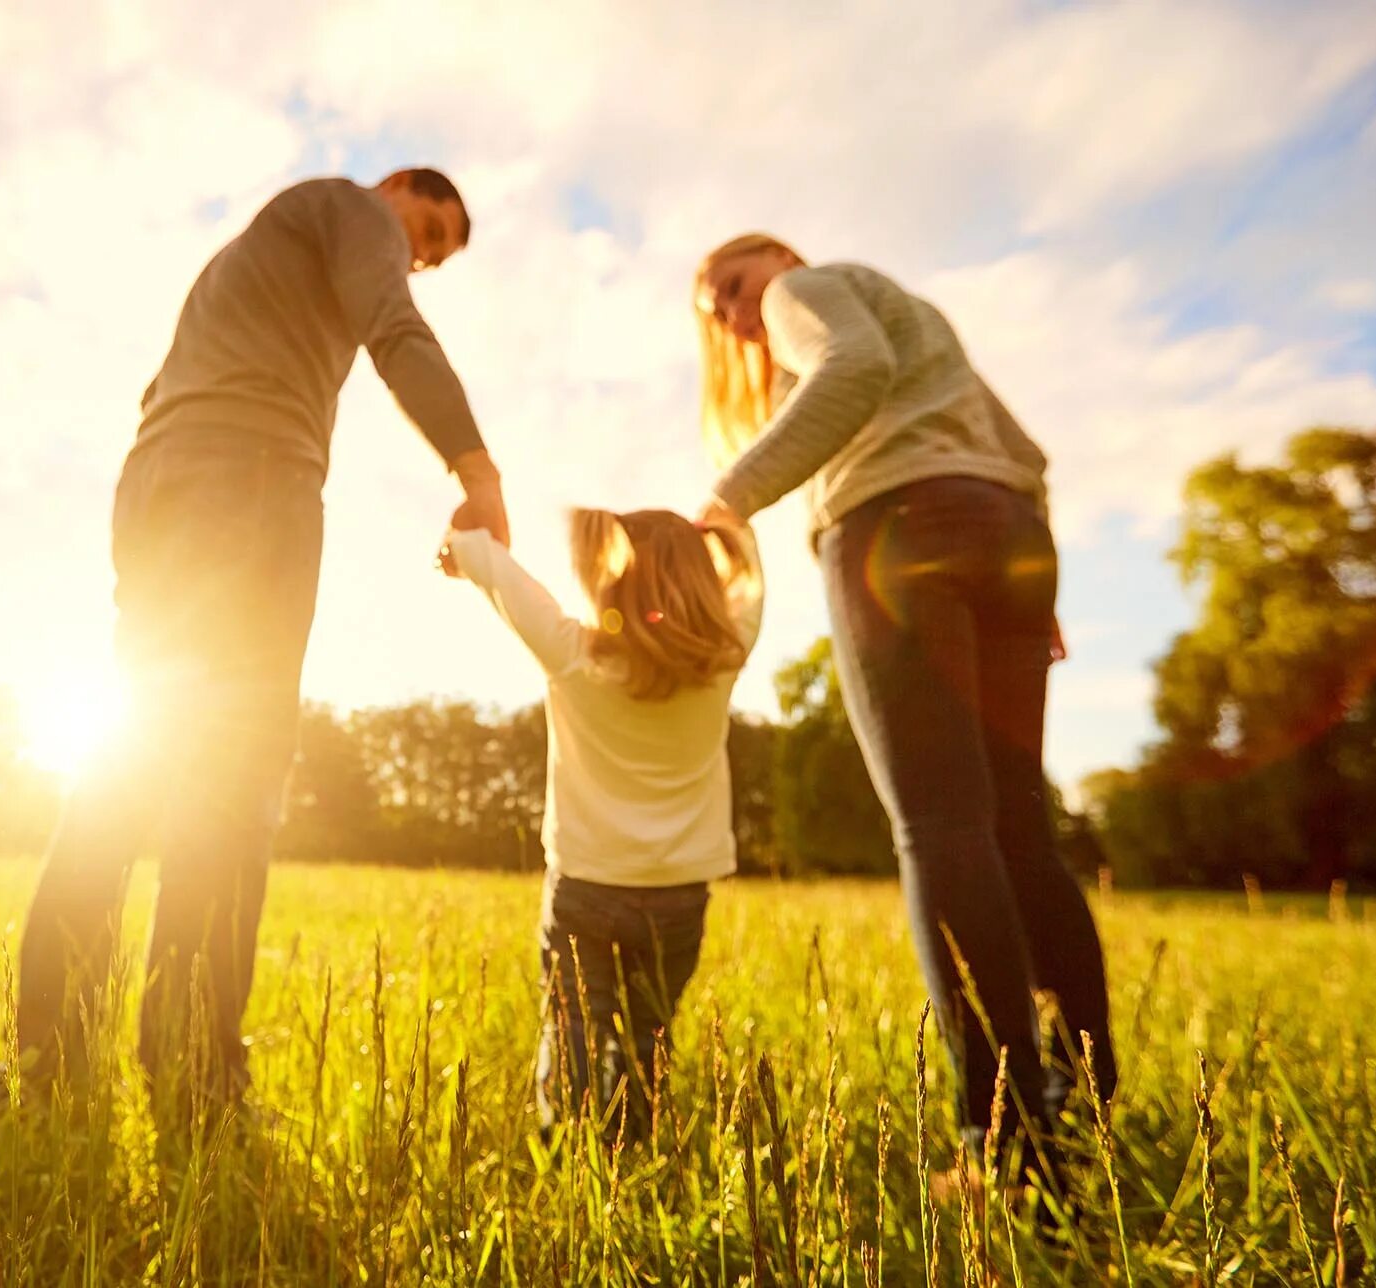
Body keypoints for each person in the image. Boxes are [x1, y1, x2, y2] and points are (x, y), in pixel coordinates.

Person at [7, 169, 511, 1111]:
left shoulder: (250, 256)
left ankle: (46, 1066)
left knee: (128, 762)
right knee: (232, 781)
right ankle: (195, 1077)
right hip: (249, 481)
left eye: (432, 256)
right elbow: (393, 326)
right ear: (396, 187)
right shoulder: (348, 207)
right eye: (425, 228)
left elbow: (163, 385)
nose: (416, 255)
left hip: (161, 478)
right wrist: (476, 469)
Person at [691, 234, 1114, 1191]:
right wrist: (1031, 576)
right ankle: (1085, 1112)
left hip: (898, 529)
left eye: (732, 283)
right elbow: (1027, 452)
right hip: (1008, 529)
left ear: (777, 259)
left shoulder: (809, 290)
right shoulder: (912, 312)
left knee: (941, 829)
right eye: (714, 307)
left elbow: (854, 366)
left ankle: (1007, 1149)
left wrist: (731, 497)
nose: (730, 309)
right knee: (1017, 831)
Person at [442, 506, 762, 1142]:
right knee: (649, 1035)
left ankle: (568, 1155)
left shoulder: (571, 653)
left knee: (573, 1030)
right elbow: (752, 577)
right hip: (679, 893)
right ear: (704, 580)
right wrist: (728, 527)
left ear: (612, 582)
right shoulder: (727, 656)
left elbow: (498, 573)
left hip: (586, 886)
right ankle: (632, 1146)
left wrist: (460, 544)